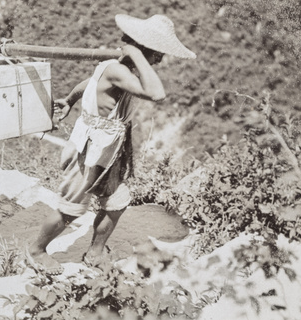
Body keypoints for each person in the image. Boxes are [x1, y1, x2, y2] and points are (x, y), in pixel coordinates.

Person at [28, 14, 196, 274]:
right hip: (89, 149)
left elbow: (90, 83)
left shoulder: (117, 68)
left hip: (108, 149)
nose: (159, 60)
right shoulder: (119, 70)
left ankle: (94, 252)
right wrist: (138, 54)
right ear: (143, 49)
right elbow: (157, 93)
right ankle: (36, 251)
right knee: (71, 209)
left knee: (116, 203)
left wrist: (71, 99)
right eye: (156, 54)